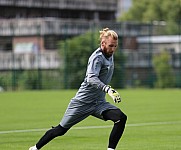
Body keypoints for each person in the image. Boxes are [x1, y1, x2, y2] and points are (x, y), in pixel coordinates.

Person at [29, 28, 127, 150]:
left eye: (115, 46)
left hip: (99, 103)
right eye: (111, 46)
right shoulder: (97, 57)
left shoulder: (109, 55)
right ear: (103, 44)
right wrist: (108, 89)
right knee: (60, 130)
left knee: (120, 118)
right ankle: (35, 148)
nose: (113, 49)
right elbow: (91, 78)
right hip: (82, 102)